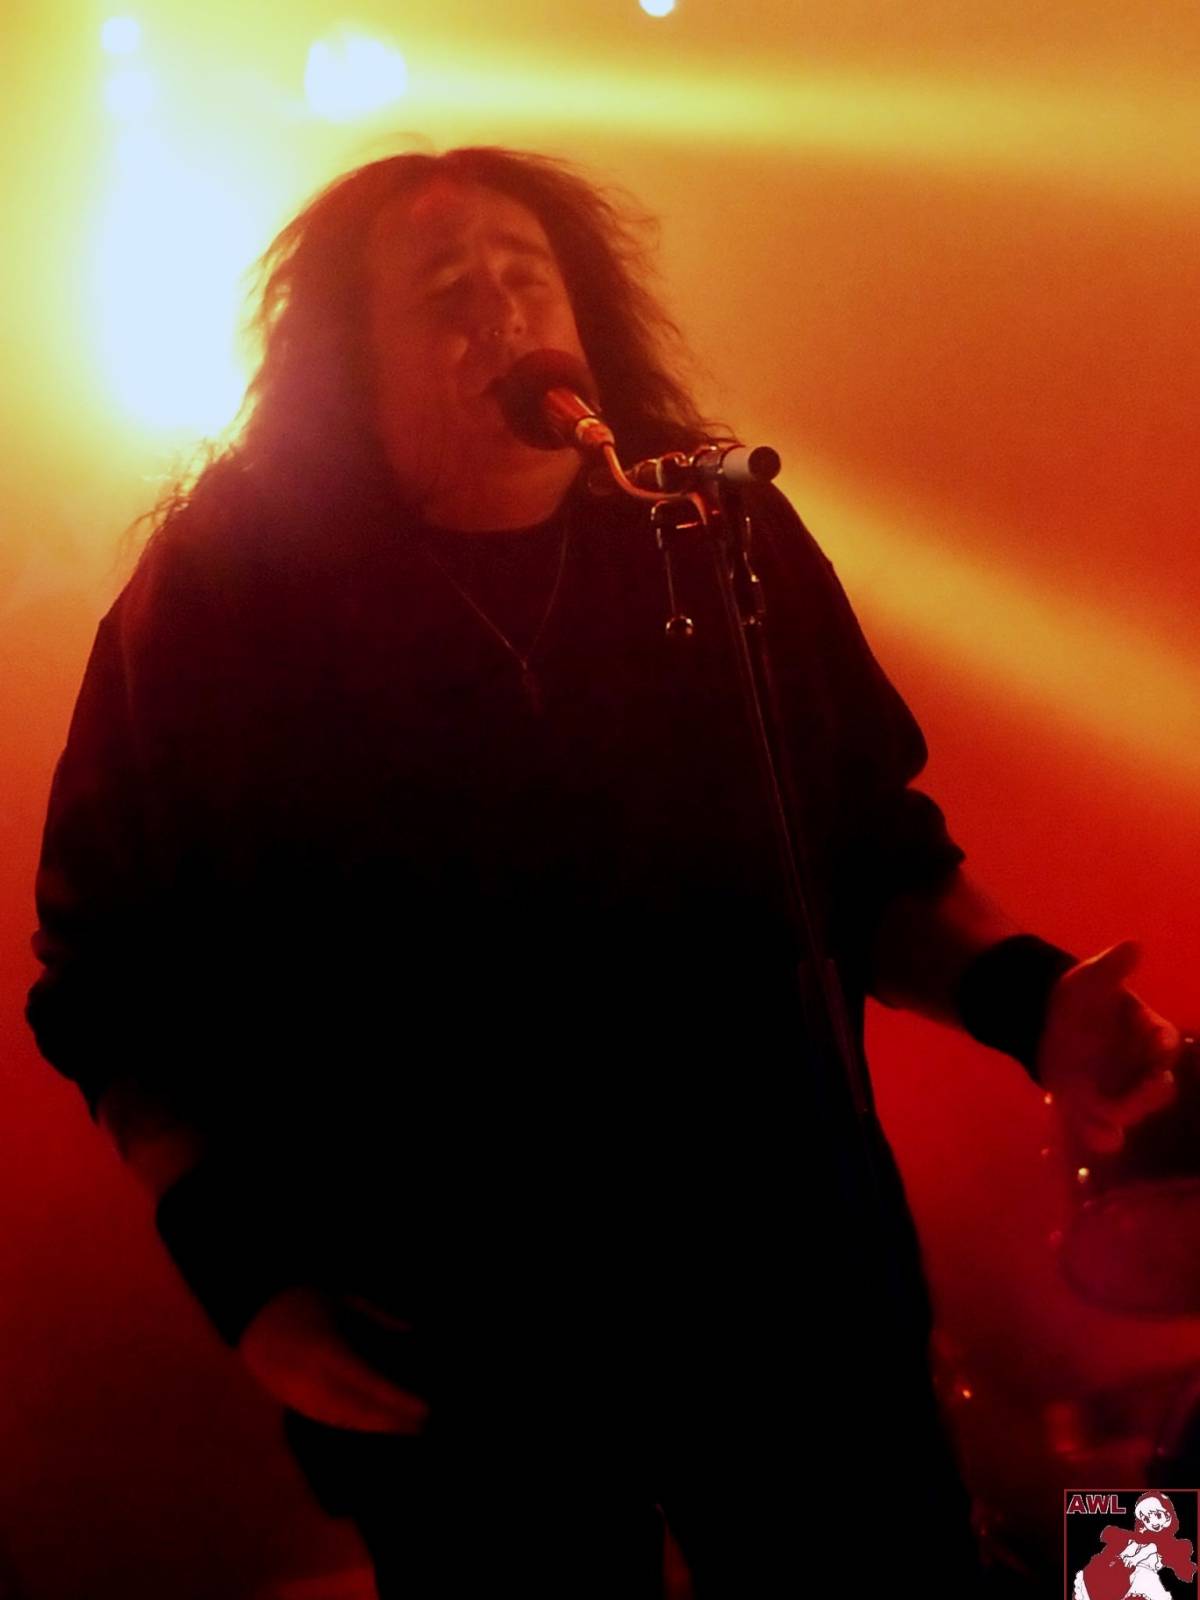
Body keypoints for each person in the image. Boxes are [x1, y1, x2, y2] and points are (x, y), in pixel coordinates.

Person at [26, 145, 1183, 1598]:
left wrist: (1033, 1004)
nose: (504, 312)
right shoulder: (220, 599)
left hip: (784, 1283)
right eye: (447, 291)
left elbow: (868, 849)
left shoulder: (710, 536)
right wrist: (242, 1272)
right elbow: (112, 973)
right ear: (345, 365)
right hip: (449, 1324)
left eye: (529, 275)